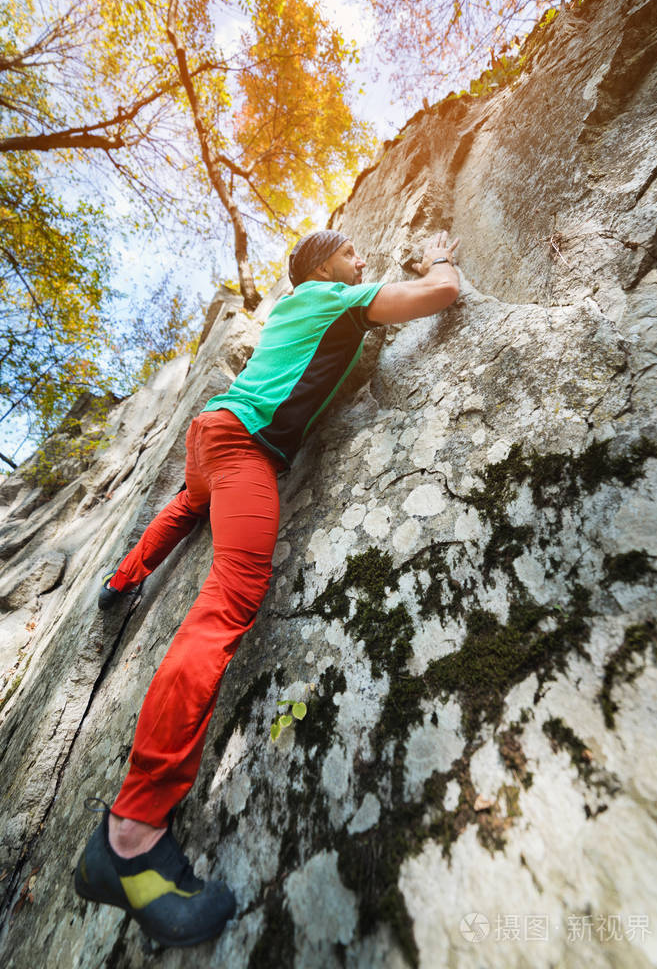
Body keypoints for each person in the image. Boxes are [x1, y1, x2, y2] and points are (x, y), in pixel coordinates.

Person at [74, 229, 460, 946]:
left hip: (210, 435)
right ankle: (128, 837)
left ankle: (119, 580)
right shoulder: (327, 297)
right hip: (243, 442)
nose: (362, 263)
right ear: (320, 267)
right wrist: (438, 255)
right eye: (351, 255)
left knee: (189, 506)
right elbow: (442, 295)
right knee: (230, 597)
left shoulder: (299, 306)